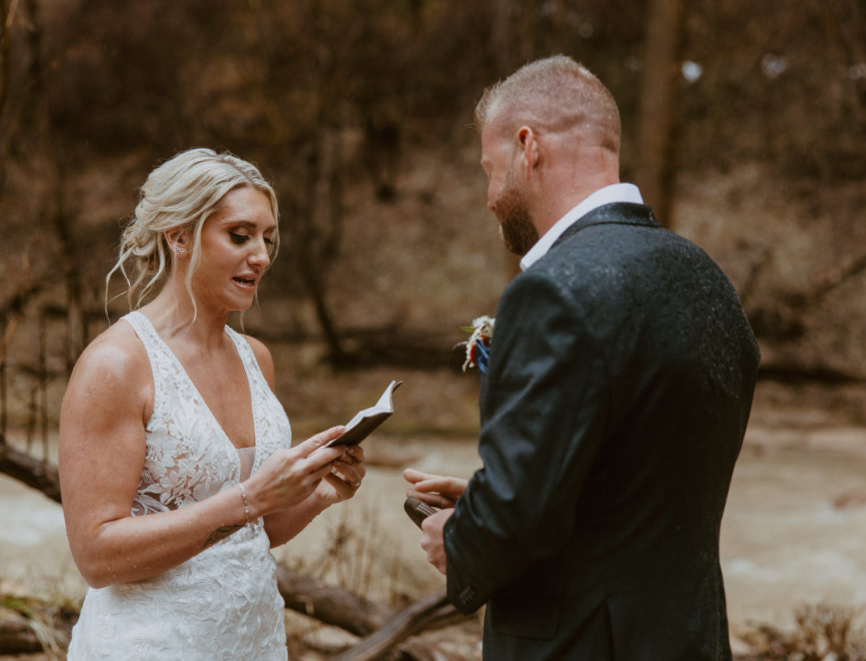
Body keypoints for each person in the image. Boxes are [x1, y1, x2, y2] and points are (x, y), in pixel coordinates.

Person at [404, 55, 760, 660]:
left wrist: (460, 540)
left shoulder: (553, 291)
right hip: (690, 638)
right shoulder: (706, 279)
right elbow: (638, 486)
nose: (491, 198)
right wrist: (490, 499)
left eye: (491, 171)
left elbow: (518, 515)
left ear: (527, 147)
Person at [59, 148, 366, 660]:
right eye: (239, 236)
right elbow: (96, 554)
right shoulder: (115, 366)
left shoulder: (256, 359)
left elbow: (254, 529)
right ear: (178, 236)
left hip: (255, 641)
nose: (262, 256)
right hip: (151, 645)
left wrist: (319, 492)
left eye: (267, 239)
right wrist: (251, 496)